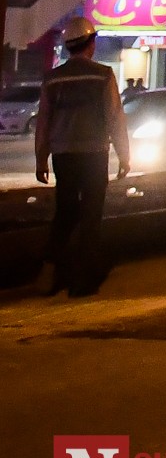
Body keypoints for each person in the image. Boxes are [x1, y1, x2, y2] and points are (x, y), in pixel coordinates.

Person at [32, 17, 130, 297]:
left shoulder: (53, 79)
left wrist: (41, 159)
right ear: (91, 44)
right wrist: (124, 155)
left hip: (63, 156)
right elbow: (115, 117)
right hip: (94, 154)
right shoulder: (103, 75)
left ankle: (52, 267)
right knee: (90, 216)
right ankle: (83, 281)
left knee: (65, 211)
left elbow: (44, 122)